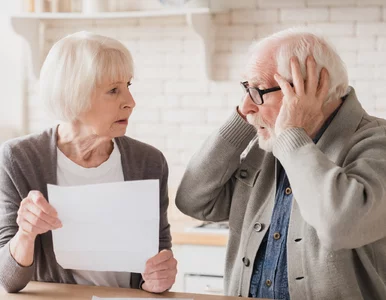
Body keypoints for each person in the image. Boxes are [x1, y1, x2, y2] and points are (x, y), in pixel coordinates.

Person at [175, 28, 386, 300]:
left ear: (309, 89)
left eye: (258, 90)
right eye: (245, 89)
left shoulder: (376, 143)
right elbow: (193, 201)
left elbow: (340, 226)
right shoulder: (268, 147)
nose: (246, 105)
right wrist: (244, 121)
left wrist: (292, 136)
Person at [0, 31, 177, 293]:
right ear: (74, 94)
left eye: (128, 86)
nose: (130, 102)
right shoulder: (19, 158)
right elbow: (8, 281)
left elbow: (157, 255)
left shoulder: (149, 162)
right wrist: (26, 233)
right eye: (113, 90)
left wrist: (159, 276)